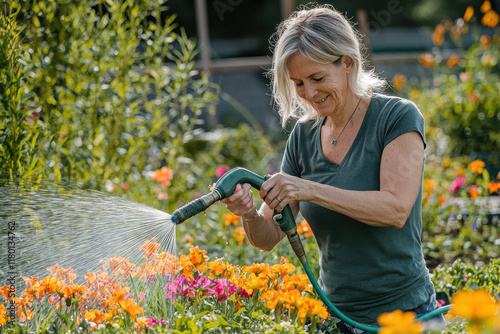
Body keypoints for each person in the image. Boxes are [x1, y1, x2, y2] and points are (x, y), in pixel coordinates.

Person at [221, 4, 445, 334]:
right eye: (297, 82)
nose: (309, 93)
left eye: (317, 78)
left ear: (348, 63)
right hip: (338, 319)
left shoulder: (396, 118)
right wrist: (250, 215)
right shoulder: (304, 136)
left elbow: (395, 209)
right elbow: (268, 237)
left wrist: (308, 188)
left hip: (408, 315)